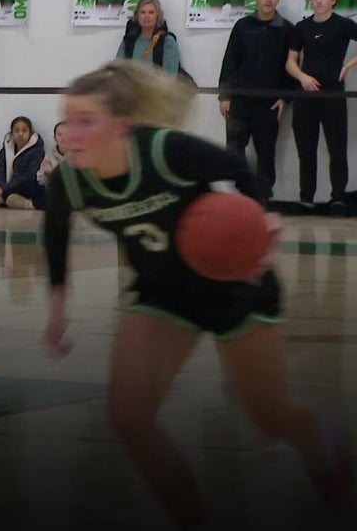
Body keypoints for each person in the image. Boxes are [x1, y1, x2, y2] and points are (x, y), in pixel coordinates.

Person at [43, 59, 351, 529]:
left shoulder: (164, 149)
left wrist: (258, 220)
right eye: (68, 121)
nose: (72, 134)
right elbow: (55, 229)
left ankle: (322, 446)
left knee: (271, 420)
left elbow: (238, 167)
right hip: (163, 294)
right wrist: (58, 305)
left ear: (122, 126)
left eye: (87, 121)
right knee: (129, 418)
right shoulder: (70, 178)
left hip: (233, 285)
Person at [285, 0, 357, 217]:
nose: (319, 1)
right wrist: (302, 77)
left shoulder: (343, 25)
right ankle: (307, 198)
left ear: (333, 0)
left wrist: (348, 65)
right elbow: (290, 62)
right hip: (306, 96)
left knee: (337, 148)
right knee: (306, 149)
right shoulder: (301, 28)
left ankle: (338, 198)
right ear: (310, 0)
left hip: (332, 94)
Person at [218, 0, 292, 204]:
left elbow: (292, 65)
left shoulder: (287, 29)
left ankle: (262, 197)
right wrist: (225, 95)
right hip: (240, 100)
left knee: (266, 152)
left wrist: (285, 98)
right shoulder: (243, 25)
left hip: (269, 102)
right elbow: (230, 61)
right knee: (234, 149)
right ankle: (244, 193)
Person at [117, 0, 181, 77]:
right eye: (143, 12)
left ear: (158, 16)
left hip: (158, 88)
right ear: (137, 16)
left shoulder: (167, 41)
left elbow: (170, 76)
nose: (146, 16)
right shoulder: (129, 40)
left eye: (151, 12)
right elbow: (118, 69)